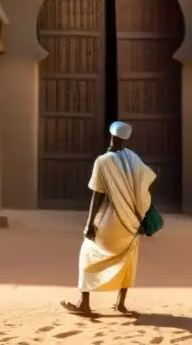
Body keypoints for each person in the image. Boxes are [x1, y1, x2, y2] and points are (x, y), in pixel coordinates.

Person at [61, 120, 156, 318]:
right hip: (131, 221)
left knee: (88, 254)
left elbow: (97, 195)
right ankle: (120, 304)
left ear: (112, 136)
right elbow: (148, 183)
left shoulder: (103, 161)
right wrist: (140, 209)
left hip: (110, 219)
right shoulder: (134, 159)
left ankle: (84, 303)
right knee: (128, 258)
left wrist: (89, 224)